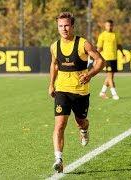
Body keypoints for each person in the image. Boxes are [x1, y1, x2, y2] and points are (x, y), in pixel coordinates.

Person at [48, 12, 105, 173]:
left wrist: (90, 74)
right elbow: (54, 65)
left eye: (66, 25)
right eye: (60, 26)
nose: (64, 29)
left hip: (80, 92)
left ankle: (84, 130)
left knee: (81, 121)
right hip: (62, 91)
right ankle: (58, 159)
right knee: (59, 125)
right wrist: (51, 84)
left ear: (72, 26)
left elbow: (101, 61)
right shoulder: (54, 46)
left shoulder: (83, 44)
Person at [97, 19, 125, 100]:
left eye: (111, 25)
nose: (109, 27)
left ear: (113, 26)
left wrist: (122, 53)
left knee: (110, 76)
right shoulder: (102, 35)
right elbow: (99, 48)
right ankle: (114, 94)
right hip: (106, 58)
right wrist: (96, 58)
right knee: (110, 77)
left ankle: (102, 92)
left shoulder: (115, 34)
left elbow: (119, 45)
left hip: (114, 58)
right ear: (105, 26)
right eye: (108, 25)